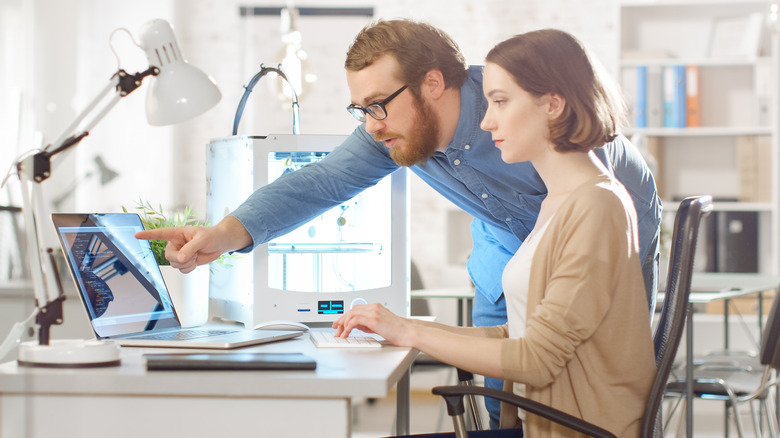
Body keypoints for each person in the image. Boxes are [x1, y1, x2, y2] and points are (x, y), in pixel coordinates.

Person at [135, 19, 661, 429]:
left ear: (432, 84)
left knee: (601, 367)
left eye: (378, 104)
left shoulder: (530, 119)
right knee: (505, 386)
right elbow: (319, 184)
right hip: (505, 245)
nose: (370, 124)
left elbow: (603, 205)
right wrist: (220, 237)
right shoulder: (393, 129)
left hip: (602, 228)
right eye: (359, 108)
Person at [333, 28, 656, 437]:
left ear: (553, 105)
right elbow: (517, 333)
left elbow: (536, 359)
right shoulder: (556, 201)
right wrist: (402, 327)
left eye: (500, 102)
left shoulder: (596, 206)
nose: (486, 121)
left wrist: (408, 332)